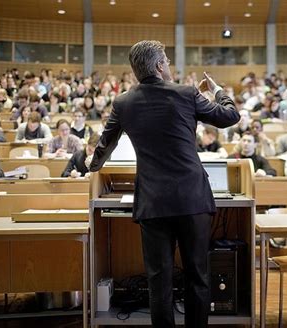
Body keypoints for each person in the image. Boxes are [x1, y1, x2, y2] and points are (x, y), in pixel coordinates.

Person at [89, 40, 239, 328]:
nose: (169, 66)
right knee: (198, 277)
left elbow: (105, 145)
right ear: (159, 66)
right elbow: (229, 116)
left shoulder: (123, 102)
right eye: (167, 61)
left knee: (159, 281)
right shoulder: (186, 93)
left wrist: (92, 166)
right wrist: (218, 91)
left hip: (153, 202)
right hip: (192, 199)